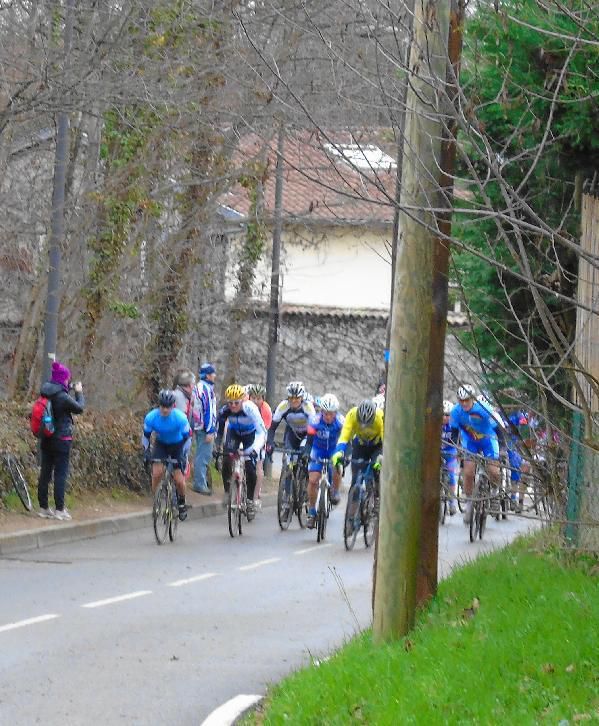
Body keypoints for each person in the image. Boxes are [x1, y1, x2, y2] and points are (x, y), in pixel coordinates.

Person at [449, 384, 505, 525]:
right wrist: (455, 446)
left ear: (472, 399)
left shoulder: (483, 408)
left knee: (493, 470)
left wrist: (503, 447)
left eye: (467, 400)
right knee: (468, 472)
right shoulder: (456, 412)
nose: (464, 403)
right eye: (461, 401)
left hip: (488, 440)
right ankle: (469, 503)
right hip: (470, 442)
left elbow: (497, 429)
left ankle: (494, 491)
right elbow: (454, 433)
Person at [37, 361, 85, 520]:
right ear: (62, 379)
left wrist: (69, 385)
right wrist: (79, 392)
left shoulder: (45, 390)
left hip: (46, 437)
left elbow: (60, 386)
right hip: (62, 439)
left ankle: (43, 507)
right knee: (60, 474)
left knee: (45, 472)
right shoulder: (63, 397)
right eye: (66, 379)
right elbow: (79, 408)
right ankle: (59, 509)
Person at [215, 384, 267, 521]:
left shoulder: (250, 408)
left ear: (242, 400)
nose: (233, 405)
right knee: (226, 460)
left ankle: (250, 500)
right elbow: (219, 432)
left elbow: (262, 432)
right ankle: (228, 491)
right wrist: (216, 447)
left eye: (236, 402)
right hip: (235, 434)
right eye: (230, 403)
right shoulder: (225, 411)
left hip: (251, 435)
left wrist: (255, 450)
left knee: (250, 469)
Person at [142, 389, 192, 521]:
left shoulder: (180, 418)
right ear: (159, 405)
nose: (165, 410)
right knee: (157, 473)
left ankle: (181, 503)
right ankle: (156, 499)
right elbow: (146, 436)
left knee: (179, 480)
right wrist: (146, 451)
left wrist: (183, 456)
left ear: (173, 406)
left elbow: (188, 439)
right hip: (161, 444)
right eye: (163, 406)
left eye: (168, 407)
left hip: (178, 445)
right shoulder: (151, 417)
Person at [304, 393, 345, 528]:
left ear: (335, 413)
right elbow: (309, 441)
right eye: (325, 413)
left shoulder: (341, 421)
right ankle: (311, 511)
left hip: (334, 449)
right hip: (318, 449)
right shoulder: (314, 421)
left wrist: (346, 455)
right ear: (321, 412)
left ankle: (335, 490)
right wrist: (306, 452)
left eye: (331, 414)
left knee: (337, 466)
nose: (328, 416)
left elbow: (346, 440)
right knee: (313, 480)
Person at [331, 398, 384, 491]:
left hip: (377, 446)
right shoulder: (352, 415)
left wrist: (382, 456)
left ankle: (377, 495)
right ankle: (352, 501)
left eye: (368, 424)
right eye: (362, 423)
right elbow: (344, 436)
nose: (364, 426)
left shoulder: (380, 417)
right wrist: (339, 451)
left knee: (376, 470)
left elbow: (385, 441)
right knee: (355, 479)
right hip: (360, 444)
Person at [266, 381, 315, 456]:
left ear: (302, 397)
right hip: (293, 433)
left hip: (307, 434)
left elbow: (313, 428)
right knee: (288, 456)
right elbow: (272, 428)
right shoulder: (283, 406)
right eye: (291, 398)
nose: (293, 401)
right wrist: (269, 442)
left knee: (304, 454)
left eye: (297, 398)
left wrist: (308, 445)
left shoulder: (308, 406)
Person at [192, 363, 218, 495]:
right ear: (208, 375)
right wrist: (210, 430)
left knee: (201, 455)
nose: (215, 376)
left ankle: (200, 482)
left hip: (199, 425)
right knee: (203, 456)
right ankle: (199, 484)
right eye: (213, 373)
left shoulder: (199, 387)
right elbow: (208, 411)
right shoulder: (206, 389)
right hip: (204, 427)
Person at [441, 399, 459, 515]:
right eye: (442, 414)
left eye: (447, 415)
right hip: (437, 450)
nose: (444, 417)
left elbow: (458, 441)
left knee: (452, 476)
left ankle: (452, 502)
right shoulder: (434, 423)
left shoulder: (454, 426)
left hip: (450, 451)